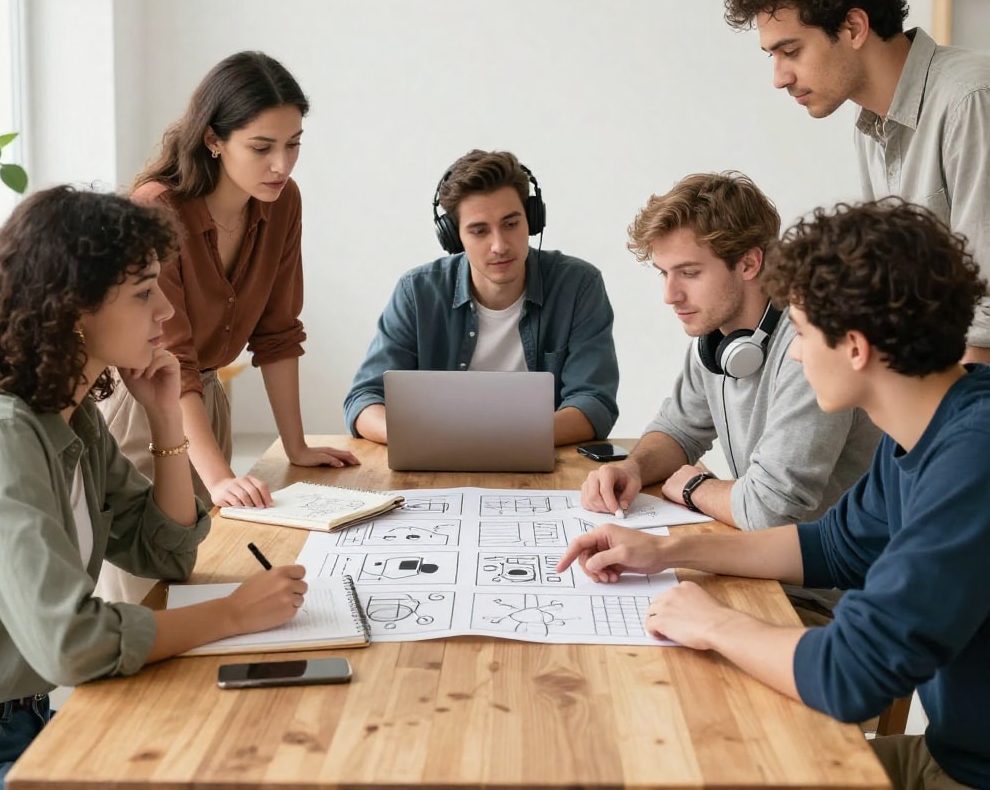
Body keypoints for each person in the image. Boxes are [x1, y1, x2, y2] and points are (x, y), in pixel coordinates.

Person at [559, 199, 990, 790]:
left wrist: (713, 624)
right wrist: (669, 552)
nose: (792, 355)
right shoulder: (929, 431)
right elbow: (829, 549)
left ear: (855, 347)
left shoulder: (971, 462)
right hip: (949, 759)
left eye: (804, 333)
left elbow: (851, 671)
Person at [0, 186, 310, 790]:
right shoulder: (0, 434)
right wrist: (231, 614)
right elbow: (70, 644)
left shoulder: (70, 419)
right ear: (72, 308)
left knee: (272, 786)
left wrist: (163, 420)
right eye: (145, 291)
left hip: (24, 724)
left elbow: (165, 554)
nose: (168, 308)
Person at [581, 173, 879, 621]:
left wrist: (696, 486)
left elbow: (768, 511)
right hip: (763, 573)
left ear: (749, 263)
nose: (669, 295)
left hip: (830, 604)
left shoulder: (811, 349)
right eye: (664, 273)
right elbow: (678, 429)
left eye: (690, 272)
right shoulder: (716, 341)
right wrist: (633, 468)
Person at [724, 0, 990, 365]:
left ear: (852, 27)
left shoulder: (970, 100)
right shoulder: (870, 126)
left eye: (790, 52)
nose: (779, 78)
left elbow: (986, 319)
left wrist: (943, 429)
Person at [104, 50, 357, 513]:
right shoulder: (158, 209)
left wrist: (295, 445)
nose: (282, 165)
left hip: (206, 401)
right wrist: (219, 476)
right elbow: (172, 357)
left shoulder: (283, 202)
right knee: (142, 581)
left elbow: (278, 332)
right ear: (213, 140)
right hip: (146, 406)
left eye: (293, 144)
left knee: (200, 572)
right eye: (262, 148)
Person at [344, 150, 620, 446]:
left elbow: (593, 403)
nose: (499, 245)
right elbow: (364, 399)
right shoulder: (417, 292)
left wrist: (493, 441)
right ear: (454, 238)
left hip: (539, 462)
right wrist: (423, 439)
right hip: (438, 459)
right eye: (479, 231)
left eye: (511, 224)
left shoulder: (578, 285)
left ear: (532, 219)